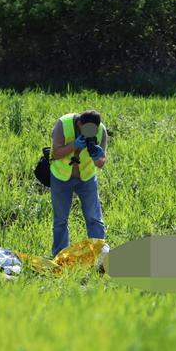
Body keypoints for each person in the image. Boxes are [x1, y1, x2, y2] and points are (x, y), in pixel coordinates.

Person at [49, 110, 108, 257]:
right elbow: (55, 153)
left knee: (94, 218)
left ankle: (99, 256)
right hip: (61, 178)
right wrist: (73, 145)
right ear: (79, 123)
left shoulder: (101, 131)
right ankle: (60, 257)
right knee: (60, 221)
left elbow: (101, 164)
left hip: (86, 178)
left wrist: (97, 156)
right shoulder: (62, 124)